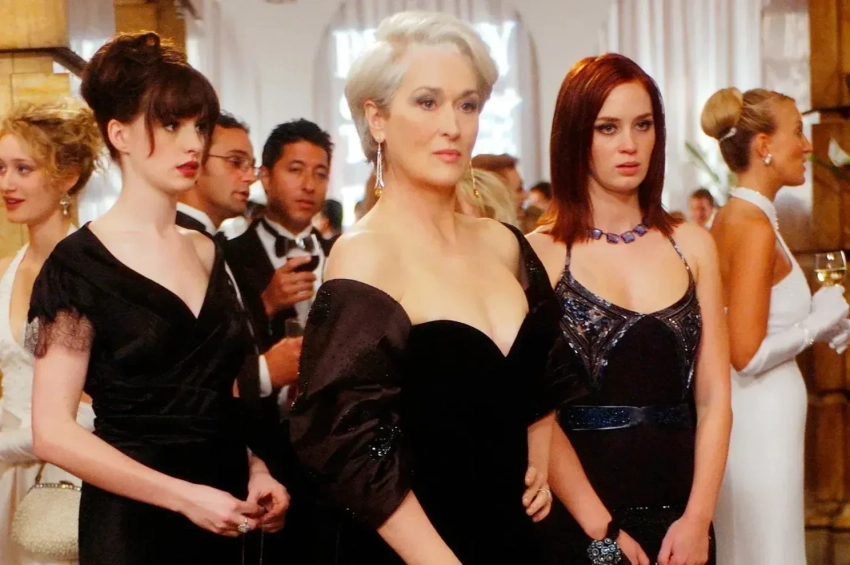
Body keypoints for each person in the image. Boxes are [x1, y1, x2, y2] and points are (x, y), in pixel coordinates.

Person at [290, 11, 565, 564]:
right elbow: (344, 442)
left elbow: (542, 376)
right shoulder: (365, 254)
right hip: (418, 549)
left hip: (517, 537)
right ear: (377, 118)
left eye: (467, 105)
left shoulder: (503, 243)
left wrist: (538, 454)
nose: (452, 126)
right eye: (427, 102)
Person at [26, 32, 287, 565]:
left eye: (199, 126)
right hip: (134, 528)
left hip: (227, 513)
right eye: (171, 125)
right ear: (119, 133)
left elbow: (212, 399)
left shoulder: (208, 250)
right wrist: (184, 497)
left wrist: (256, 468)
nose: (193, 144)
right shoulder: (78, 266)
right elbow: (51, 432)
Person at [528, 53, 731, 565]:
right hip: (578, 514)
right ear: (576, 136)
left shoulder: (692, 245)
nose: (629, 144)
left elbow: (714, 399)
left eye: (643, 125)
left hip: (682, 514)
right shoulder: (540, 254)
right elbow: (537, 411)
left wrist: (699, 518)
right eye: (608, 127)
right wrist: (601, 529)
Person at [703, 87, 850, 565]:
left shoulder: (739, 216)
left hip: (758, 414)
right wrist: (815, 325)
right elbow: (745, 355)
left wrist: (818, 319)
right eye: (798, 133)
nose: (807, 146)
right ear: (764, 145)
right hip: (760, 416)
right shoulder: (752, 226)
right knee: (766, 548)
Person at [0, 100, 101, 565]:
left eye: (24, 169)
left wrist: (12, 443)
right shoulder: (6, 270)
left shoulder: (90, 271)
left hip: (66, 475)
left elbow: (93, 409)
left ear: (68, 177)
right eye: (1, 168)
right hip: (7, 476)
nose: (7, 183)